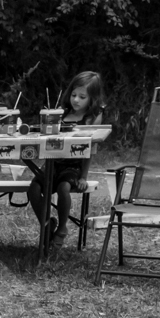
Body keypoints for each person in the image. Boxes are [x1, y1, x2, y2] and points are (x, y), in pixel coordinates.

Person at [27, 71, 106, 246]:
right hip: (53, 162)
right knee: (33, 188)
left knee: (64, 187)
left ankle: (62, 228)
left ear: (92, 99)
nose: (76, 100)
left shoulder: (91, 119)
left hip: (74, 166)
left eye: (82, 96)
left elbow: (90, 150)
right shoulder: (60, 115)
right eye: (73, 95)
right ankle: (47, 225)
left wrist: (83, 176)